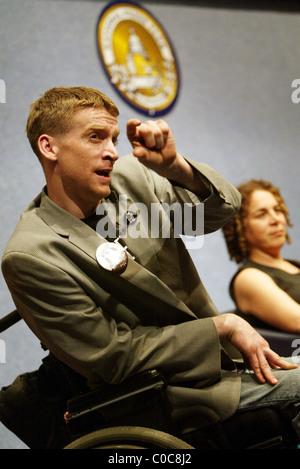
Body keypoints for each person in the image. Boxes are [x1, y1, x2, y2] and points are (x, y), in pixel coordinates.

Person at [1, 87, 299, 449]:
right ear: (50, 148)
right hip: (165, 395)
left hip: (227, 365)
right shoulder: (30, 254)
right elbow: (114, 358)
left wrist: (175, 168)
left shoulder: (132, 177)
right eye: (95, 137)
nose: (111, 151)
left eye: (112, 138)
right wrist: (220, 327)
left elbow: (221, 211)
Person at [222, 179, 300, 334]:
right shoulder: (248, 278)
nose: (276, 220)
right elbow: (297, 321)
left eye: (277, 210)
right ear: (241, 228)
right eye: (261, 214)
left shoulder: (295, 265)